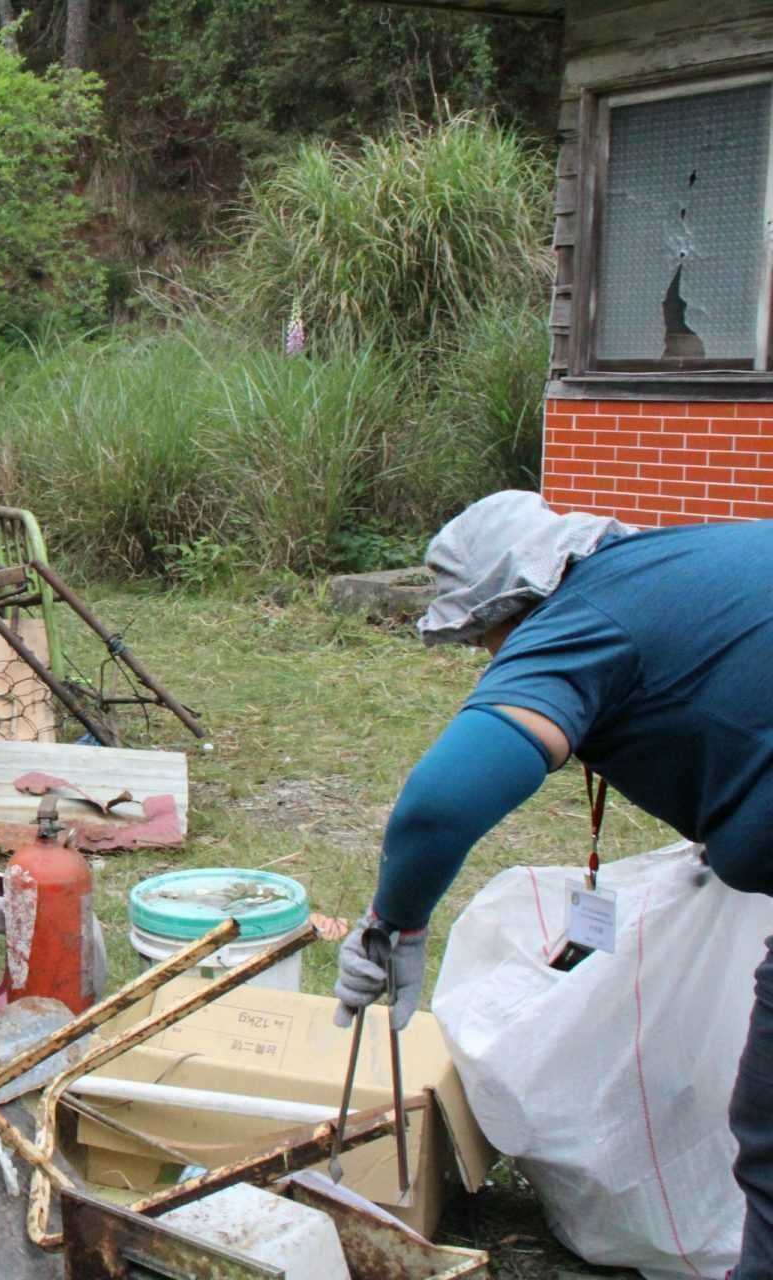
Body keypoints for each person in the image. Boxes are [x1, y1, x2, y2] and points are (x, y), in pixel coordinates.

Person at [330, 490, 773, 1275]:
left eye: (482, 640)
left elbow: (437, 806)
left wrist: (393, 923)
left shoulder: (576, 622)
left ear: (508, 604)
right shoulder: (686, 562)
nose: (491, 659)